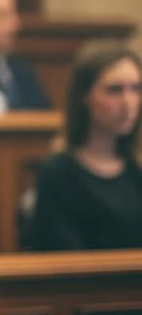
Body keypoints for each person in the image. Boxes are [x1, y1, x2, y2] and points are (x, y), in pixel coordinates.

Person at [23, 46, 142, 251]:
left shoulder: (136, 167)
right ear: (84, 96)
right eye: (114, 90)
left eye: (136, 89)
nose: (128, 102)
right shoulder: (58, 173)